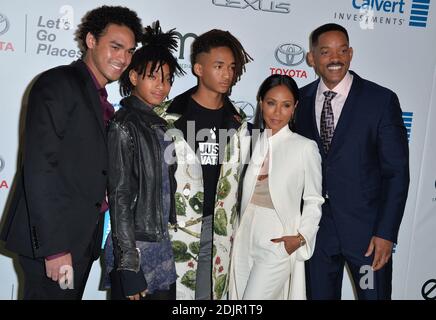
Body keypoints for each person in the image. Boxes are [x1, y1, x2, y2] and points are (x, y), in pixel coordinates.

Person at [0, 6, 142, 299]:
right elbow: (40, 168)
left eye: (129, 51)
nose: (123, 58)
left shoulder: (98, 96)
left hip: (79, 242)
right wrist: (54, 248)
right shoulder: (59, 83)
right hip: (54, 247)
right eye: (115, 47)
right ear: (91, 40)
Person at [295, 23, 410, 300]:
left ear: (351, 53)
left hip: (368, 238)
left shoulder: (380, 100)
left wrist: (386, 233)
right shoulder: (298, 100)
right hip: (317, 235)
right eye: (325, 51)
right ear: (312, 57)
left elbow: (396, 173)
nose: (335, 58)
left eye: (342, 50)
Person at [154, 29, 252, 300]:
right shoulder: (166, 117)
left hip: (218, 231)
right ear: (198, 68)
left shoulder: (240, 124)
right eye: (219, 66)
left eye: (231, 67)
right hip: (172, 229)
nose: (227, 74)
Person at [102, 21, 185, 301]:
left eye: (168, 78)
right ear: (134, 77)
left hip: (159, 243)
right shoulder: (123, 124)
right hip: (134, 248)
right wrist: (128, 263)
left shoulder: (158, 125)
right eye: (154, 76)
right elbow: (120, 195)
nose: (163, 85)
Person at [228, 74, 324, 300]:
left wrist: (301, 238)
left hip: (279, 238)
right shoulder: (249, 140)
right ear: (261, 103)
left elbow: (314, 199)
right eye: (271, 103)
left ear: (295, 108)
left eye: (286, 105)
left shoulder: (305, 147)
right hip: (244, 234)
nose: (277, 112)